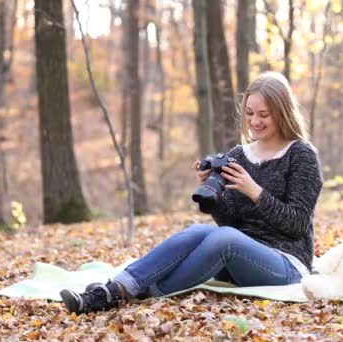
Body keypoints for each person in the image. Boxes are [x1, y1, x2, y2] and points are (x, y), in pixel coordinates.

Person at [59, 71, 323, 314]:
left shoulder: (301, 155)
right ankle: (114, 288)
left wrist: (255, 192)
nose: (255, 121)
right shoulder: (238, 156)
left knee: (226, 239)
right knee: (199, 230)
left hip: (285, 265)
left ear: (282, 112)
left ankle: (139, 292)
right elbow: (231, 223)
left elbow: (297, 224)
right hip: (237, 260)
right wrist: (216, 195)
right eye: (250, 113)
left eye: (264, 115)